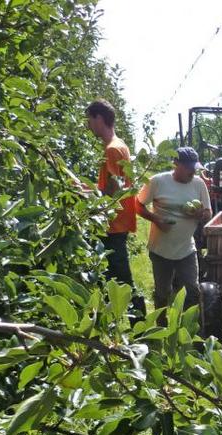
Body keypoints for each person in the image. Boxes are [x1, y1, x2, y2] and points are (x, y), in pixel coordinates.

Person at [85, 99, 147, 318]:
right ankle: (115, 321)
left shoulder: (112, 149)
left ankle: (138, 326)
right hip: (118, 223)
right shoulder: (120, 144)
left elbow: (113, 190)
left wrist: (88, 194)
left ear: (99, 118)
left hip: (113, 224)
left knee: (121, 280)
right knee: (113, 277)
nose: (88, 125)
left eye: (89, 120)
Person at [136, 147, 212, 320]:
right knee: (163, 293)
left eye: (195, 167)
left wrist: (199, 214)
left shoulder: (198, 184)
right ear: (176, 164)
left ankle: (191, 328)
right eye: (188, 167)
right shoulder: (157, 182)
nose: (193, 171)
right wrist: (156, 219)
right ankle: (160, 329)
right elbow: (137, 204)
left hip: (186, 249)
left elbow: (208, 213)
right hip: (161, 250)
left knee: (192, 290)